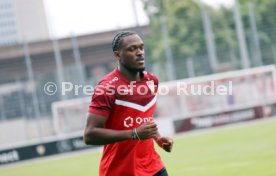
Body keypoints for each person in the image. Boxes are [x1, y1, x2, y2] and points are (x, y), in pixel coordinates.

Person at [84, 31, 173, 176]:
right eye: (132, 49)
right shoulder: (107, 88)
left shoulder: (151, 81)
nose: (139, 53)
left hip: (152, 167)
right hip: (119, 171)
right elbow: (89, 135)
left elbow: (143, 117)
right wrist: (134, 134)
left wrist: (158, 138)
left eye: (141, 48)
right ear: (118, 55)